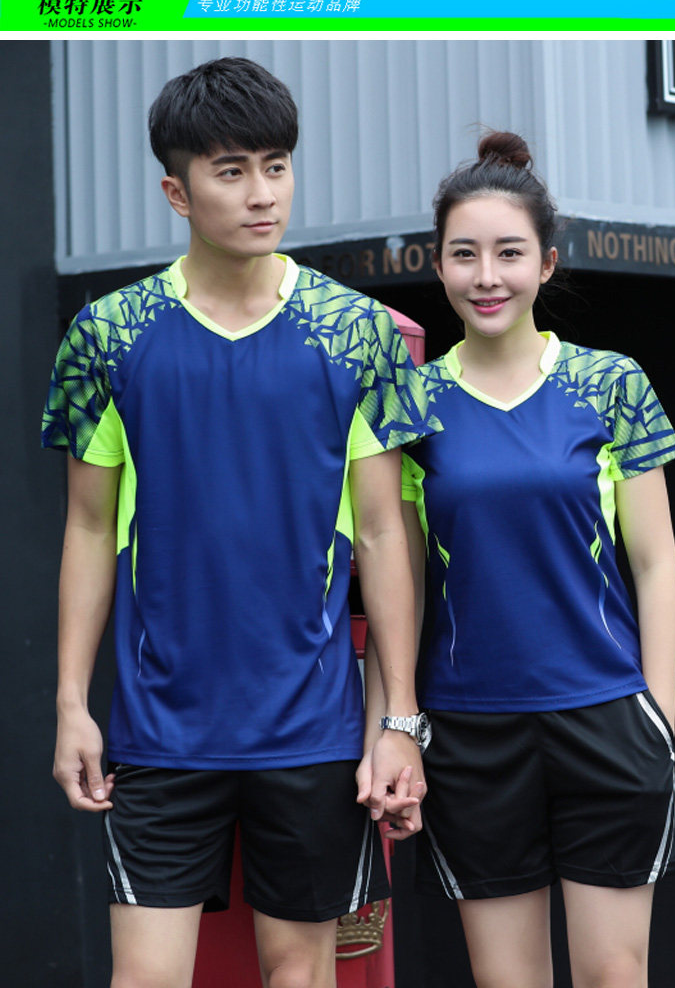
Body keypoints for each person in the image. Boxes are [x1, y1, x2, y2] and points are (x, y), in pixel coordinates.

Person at [41, 57, 440, 988]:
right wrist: (70, 704)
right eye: (232, 171)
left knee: (300, 976)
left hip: (313, 733)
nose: (263, 193)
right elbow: (89, 531)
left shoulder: (358, 333)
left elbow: (385, 535)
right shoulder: (107, 337)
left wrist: (399, 721)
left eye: (277, 165)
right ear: (176, 192)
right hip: (159, 730)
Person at [380, 129, 675, 988]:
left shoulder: (612, 384)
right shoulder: (412, 404)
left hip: (605, 721)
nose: (487, 276)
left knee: (612, 976)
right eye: (464, 254)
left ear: (547, 264)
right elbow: (398, 582)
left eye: (509, 253)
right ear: (438, 265)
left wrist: (658, 721)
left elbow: (658, 568)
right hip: (470, 733)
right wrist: (397, 726)